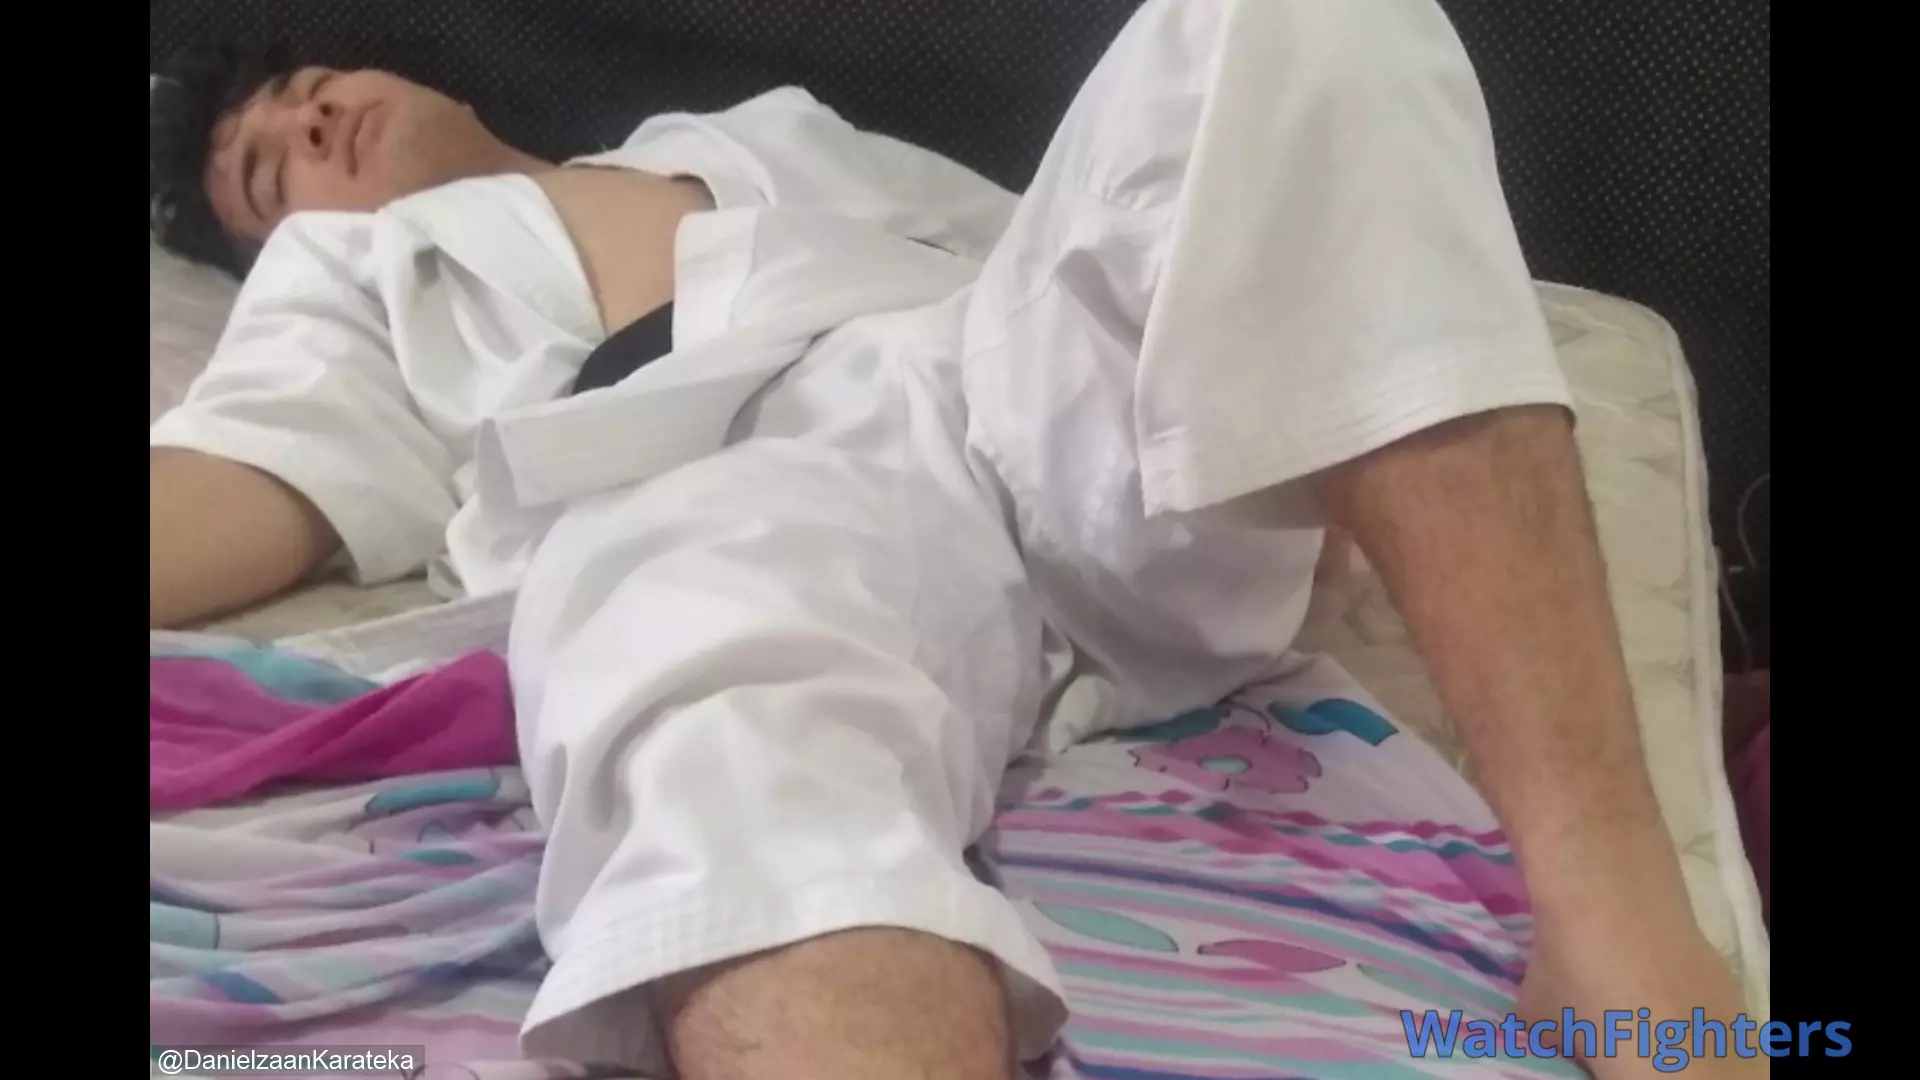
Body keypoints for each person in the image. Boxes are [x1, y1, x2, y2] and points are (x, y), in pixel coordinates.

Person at [149, 1, 1757, 1078]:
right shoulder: (351, 277)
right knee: (714, 637)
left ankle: (1610, 919)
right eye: (266, 167)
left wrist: (1292, 367)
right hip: (724, 453)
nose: (311, 122)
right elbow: (240, 481)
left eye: (310, 88)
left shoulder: (756, 128)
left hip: (1012, 392)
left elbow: (1118, 221)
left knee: (1299, 21)